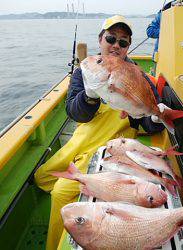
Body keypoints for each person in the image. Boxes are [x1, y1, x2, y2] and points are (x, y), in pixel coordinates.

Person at [34, 15, 169, 250]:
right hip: (82, 140)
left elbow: (149, 124)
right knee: (41, 177)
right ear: (100, 40)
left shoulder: (139, 76)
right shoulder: (85, 71)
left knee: (59, 192)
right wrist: (89, 95)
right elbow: (75, 114)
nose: (116, 45)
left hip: (115, 148)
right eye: (110, 38)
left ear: (127, 48)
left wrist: (155, 117)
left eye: (123, 42)